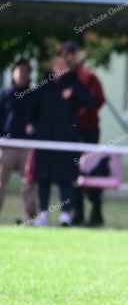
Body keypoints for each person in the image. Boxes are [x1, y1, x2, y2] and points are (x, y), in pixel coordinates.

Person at [28, 55, 94, 226]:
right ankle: (43, 214)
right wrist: (29, 124)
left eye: (63, 64)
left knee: (66, 179)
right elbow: (30, 107)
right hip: (45, 140)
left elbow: (90, 102)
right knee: (44, 179)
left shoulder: (73, 84)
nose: (59, 67)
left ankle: (65, 214)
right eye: (56, 64)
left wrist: (74, 94)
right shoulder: (44, 86)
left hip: (66, 141)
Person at [62, 41, 107, 227]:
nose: (69, 57)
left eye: (72, 53)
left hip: (87, 132)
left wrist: (77, 102)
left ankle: (96, 213)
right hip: (69, 133)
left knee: (90, 171)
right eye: (66, 54)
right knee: (72, 173)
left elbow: (97, 100)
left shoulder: (87, 77)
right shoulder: (60, 77)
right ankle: (77, 213)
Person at [0, 59, 37, 223]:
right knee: (1, 181)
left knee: (28, 182)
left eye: (25, 71)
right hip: (6, 145)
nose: (21, 74)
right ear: (13, 73)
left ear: (29, 75)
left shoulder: (33, 96)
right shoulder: (4, 94)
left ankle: (30, 216)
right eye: (19, 70)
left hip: (26, 146)